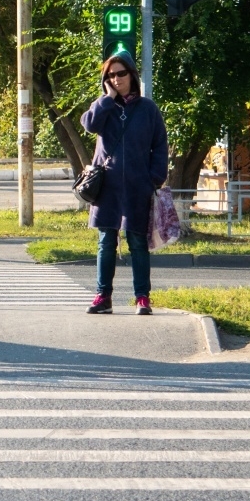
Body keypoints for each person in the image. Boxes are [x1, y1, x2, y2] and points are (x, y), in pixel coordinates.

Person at [79, 51, 168, 315]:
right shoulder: (103, 105)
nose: (117, 79)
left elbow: (160, 147)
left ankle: (142, 297)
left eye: (121, 73)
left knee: (137, 242)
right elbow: (90, 125)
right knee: (106, 241)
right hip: (107, 187)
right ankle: (102, 297)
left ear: (132, 75)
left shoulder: (148, 109)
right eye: (111, 75)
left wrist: (152, 179)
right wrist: (108, 98)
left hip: (137, 187)